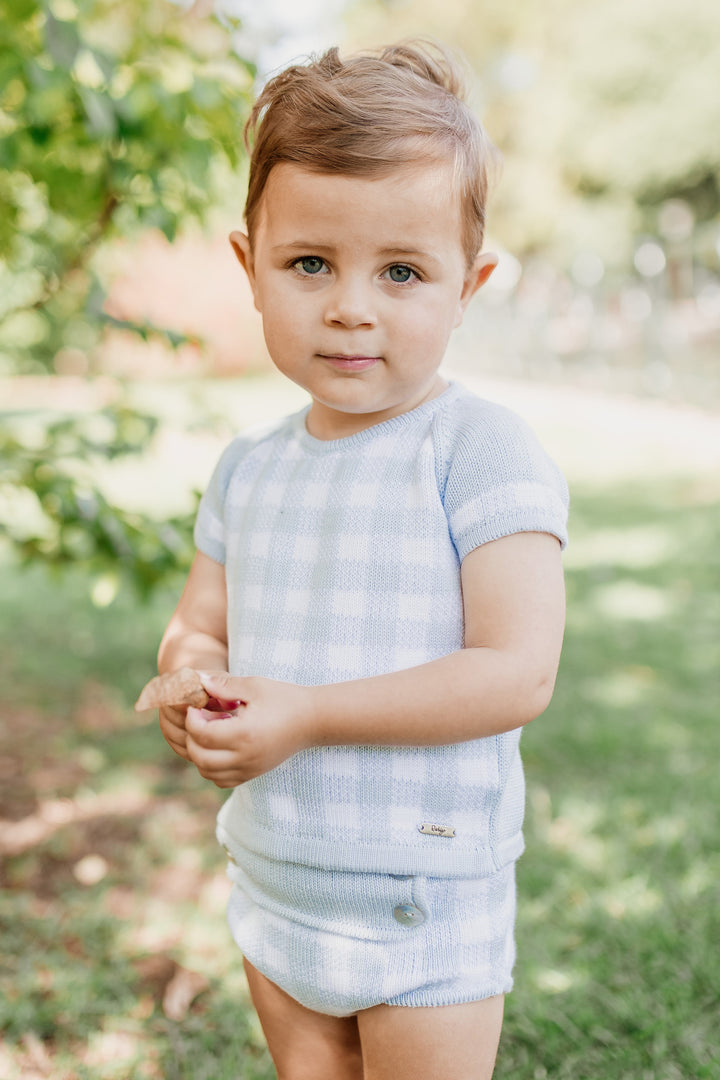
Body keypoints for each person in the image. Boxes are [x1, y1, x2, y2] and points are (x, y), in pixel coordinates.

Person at [156, 38, 568, 1080]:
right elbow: (205, 616)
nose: (351, 306)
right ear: (250, 266)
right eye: (310, 263)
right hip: (280, 877)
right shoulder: (248, 468)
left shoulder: (478, 451)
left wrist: (312, 713)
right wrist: (189, 671)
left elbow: (517, 670)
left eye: (401, 271)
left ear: (467, 284)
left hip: (422, 890)